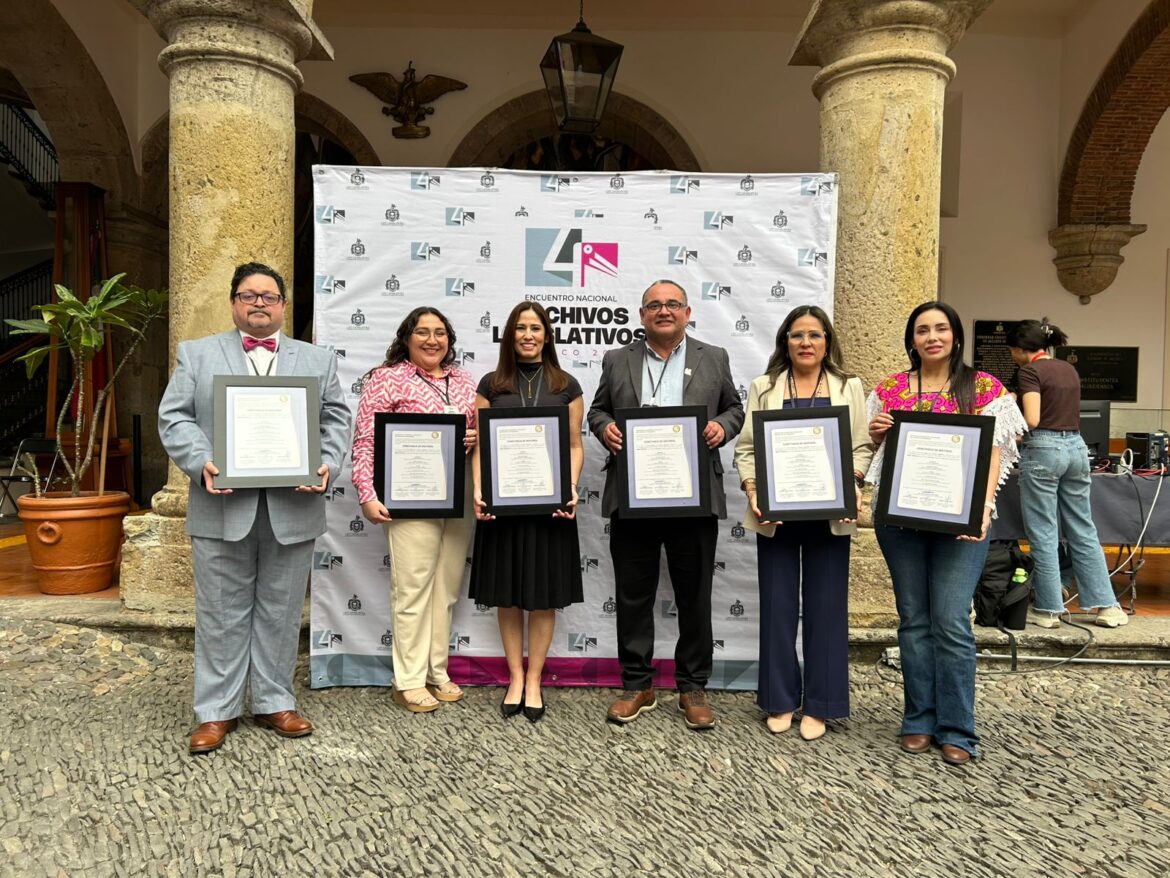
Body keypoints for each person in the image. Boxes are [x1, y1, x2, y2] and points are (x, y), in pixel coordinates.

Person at [159, 262, 350, 754]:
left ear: (283, 305)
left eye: (269, 296)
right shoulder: (196, 354)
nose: (259, 303)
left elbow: (336, 419)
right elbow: (174, 418)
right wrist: (201, 462)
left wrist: (327, 464)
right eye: (249, 295)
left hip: (294, 507)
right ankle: (215, 710)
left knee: (281, 612)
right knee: (220, 613)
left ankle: (273, 700)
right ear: (233, 303)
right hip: (221, 507)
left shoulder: (318, 359)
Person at [866, 301, 1025, 766]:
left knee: (952, 622)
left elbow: (995, 451)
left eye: (940, 328)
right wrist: (877, 434)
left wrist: (983, 508)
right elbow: (878, 451)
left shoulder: (984, 387)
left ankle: (957, 727)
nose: (931, 337)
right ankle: (918, 718)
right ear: (911, 339)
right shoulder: (890, 389)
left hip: (961, 521)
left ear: (955, 336)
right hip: (899, 520)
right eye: (922, 330)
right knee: (913, 620)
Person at [587, 279, 744, 730]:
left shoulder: (714, 357)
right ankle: (637, 683)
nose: (663, 311)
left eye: (672, 304)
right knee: (632, 593)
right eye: (654, 305)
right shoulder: (617, 358)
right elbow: (598, 410)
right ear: (641, 315)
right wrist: (604, 428)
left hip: (693, 495)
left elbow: (734, 409)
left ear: (687, 312)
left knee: (694, 594)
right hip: (632, 494)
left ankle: (692, 686)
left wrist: (722, 427)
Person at [733, 306, 873, 741]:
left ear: (827, 341)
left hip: (831, 514)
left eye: (815, 334)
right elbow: (747, 448)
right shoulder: (765, 386)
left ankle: (821, 704)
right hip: (775, 514)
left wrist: (852, 484)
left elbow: (862, 446)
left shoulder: (849, 386)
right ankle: (779, 699)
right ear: (785, 342)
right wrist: (754, 491)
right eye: (797, 335)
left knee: (826, 609)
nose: (806, 342)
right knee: (777, 607)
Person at [351, 307, 478, 713]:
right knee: (412, 587)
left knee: (446, 588)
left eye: (440, 332)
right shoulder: (386, 379)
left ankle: (436, 671)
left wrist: (475, 436)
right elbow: (365, 441)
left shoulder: (464, 381)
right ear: (406, 338)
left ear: (450, 340)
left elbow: (480, 433)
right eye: (422, 332)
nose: (432, 340)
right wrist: (367, 493)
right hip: (410, 496)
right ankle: (407, 679)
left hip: (459, 493)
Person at [469, 302, 585, 723]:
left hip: (549, 509)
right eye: (520, 328)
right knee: (508, 595)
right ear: (510, 335)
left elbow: (574, 445)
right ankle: (514, 678)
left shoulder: (567, 385)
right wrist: (479, 491)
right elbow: (481, 446)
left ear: (547, 335)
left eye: (536, 328)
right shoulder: (491, 384)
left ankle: (534, 679)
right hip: (501, 509)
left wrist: (570, 488)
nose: (528, 335)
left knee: (542, 598)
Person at [1007, 319, 1128, 629]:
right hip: (1076, 448)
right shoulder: (1068, 369)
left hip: (1043, 450)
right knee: (1083, 528)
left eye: (1012, 351)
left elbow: (1032, 420)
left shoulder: (1029, 372)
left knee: (1043, 531)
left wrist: (1009, 426)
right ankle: (1108, 607)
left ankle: (1048, 610)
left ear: (1020, 349)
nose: (1012, 357)